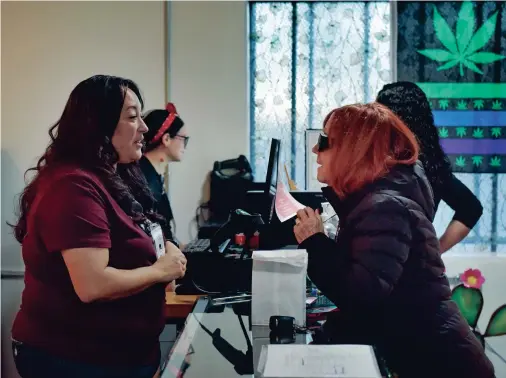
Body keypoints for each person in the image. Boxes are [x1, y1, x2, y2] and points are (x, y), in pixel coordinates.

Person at [294, 103, 494, 378]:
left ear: (354, 151)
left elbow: (361, 295)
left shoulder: (383, 208)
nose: (316, 150)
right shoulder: (376, 203)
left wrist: (314, 241)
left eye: (325, 141)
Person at [10, 75, 187, 378]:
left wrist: (164, 251)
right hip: (75, 358)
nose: (144, 128)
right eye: (132, 117)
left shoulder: (117, 175)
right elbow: (93, 285)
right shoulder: (73, 186)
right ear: (98, 125)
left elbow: (141, 234)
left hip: (121, 355)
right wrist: (161, 271)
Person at [377, 81, 483, 253]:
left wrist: (436, 250)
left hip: (394, 267)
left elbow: (471, 208)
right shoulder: (433, 163)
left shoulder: (402, 164)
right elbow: (471, 208)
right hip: (411, 268)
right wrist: (435, 251)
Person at [139, 103, 189, 246]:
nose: (185, 146)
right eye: (184, 139)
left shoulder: (152, 174)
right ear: (166, 139)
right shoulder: (144, 179)